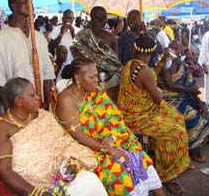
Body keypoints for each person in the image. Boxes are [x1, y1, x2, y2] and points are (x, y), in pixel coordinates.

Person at [56, 58, 165, 196]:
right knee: (120, 175)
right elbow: (79, 136)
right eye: (92, 77)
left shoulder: (95, 91)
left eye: (97, 75)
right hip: (87, 148)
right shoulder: (66, 100)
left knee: (138, 154)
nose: (97, 80)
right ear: (78, 78)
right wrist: (111, 150)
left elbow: (113, 116)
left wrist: (112, 137)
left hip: (108, 139)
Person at [0, 77, 108, 196]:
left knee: (90, 181)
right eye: (32, 95)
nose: (38, 97)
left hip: (61, 177)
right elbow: (4, 170)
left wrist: (70, 162)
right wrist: (38, 193)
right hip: (29, 188)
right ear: (18, 101)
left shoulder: (43, 116)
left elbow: (64, 143)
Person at [117, 35, 190, 195]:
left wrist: (163, 60)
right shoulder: (144, 70)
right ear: (151, 52)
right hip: (139, 117)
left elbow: (150, 74)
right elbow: (157, 98)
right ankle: (167, 175)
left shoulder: (131, 64)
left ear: (136, 48)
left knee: (177, 116)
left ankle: (172, 157)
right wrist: (157, 91)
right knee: (175, 133)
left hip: (133, 112)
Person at [0, 0, 55, 111]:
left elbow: (47, 73)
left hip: (40, 105)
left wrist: (46, 102)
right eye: (25, 2)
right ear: (14, 6)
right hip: (16, 107)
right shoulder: (1, 39)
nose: (31, 6)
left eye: (31, 2)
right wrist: (9, 110)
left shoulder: (38, 37)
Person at [159, 40, 209, 163]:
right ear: (167, 50)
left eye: (177, 49)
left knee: (207, 108)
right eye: (172, 49)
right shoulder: (164, 65)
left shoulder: (181, 64)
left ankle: (204, 137)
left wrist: (198, 101)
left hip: (185, 96)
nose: (175, 52)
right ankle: (193, 150)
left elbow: (190, 83)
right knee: (194, 119)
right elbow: (171, 86)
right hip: (169, 100)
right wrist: (192, 91)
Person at [72, 6, 122, 90]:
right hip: (108, 81)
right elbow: (116, 62)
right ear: (103, 19)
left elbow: (76, 55)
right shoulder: (111, 37)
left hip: (87, 78)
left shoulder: (81, 35)